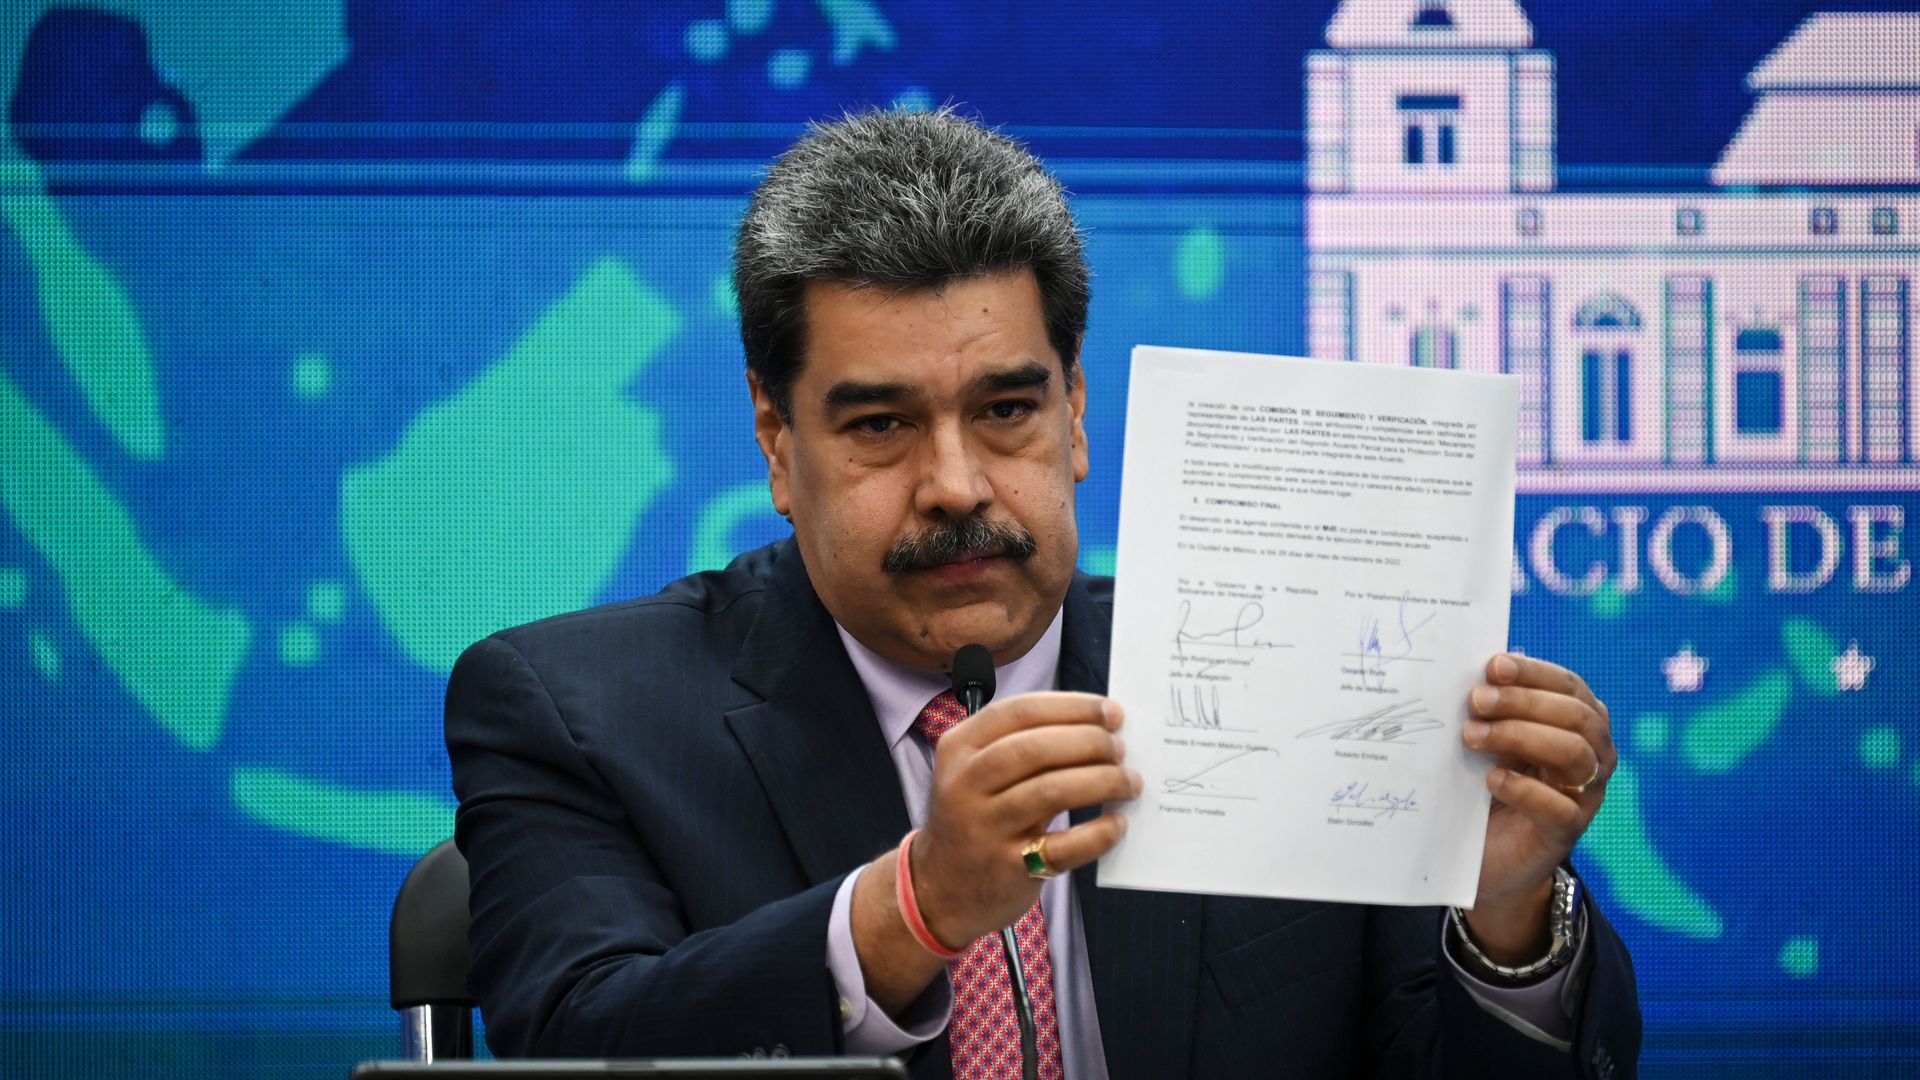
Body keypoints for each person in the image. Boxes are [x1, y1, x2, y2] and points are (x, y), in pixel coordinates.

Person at [446, 107, 1640, 1079]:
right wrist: (911, 909)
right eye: (880, 426)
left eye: (1008, 410)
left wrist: (1503, 922)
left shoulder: (1305, 672)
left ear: (1076, 412)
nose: (956, 486)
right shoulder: (576, 709)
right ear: (774, 438)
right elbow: (578, 1041)